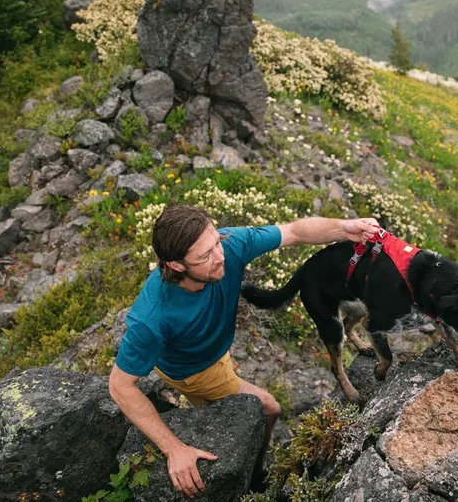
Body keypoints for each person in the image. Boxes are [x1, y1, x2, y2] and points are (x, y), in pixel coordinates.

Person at [108, 204, 380, 497]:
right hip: (195, 371)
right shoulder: (152, 317)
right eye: (205, 255)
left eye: (216, 242)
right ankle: (256, 472)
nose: (220, 256)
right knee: (269, 408)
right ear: (176, 265)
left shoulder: (229, 245)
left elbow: (294, 231)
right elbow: (120, 386)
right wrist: (174, 449)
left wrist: (345, 227)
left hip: (209, 352)